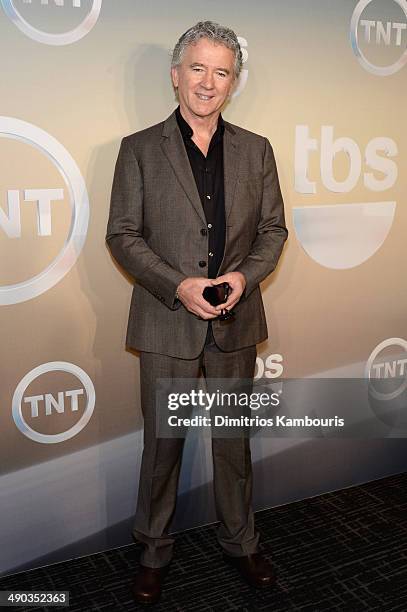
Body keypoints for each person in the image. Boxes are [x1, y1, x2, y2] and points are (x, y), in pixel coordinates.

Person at [106, 20, 288, 605]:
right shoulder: (138, 149)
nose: (208, 82)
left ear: (233, 83)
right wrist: (178, 285)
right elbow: (124, 235)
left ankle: (242, 542)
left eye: (222, 72)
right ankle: (154, 549)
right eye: (198, 68)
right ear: (176, 74)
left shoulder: (257, 149)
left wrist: (243, 277)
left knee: (233, 444)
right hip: (166, 321)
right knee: (164, 444)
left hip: (236, 320)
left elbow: (273, 230)